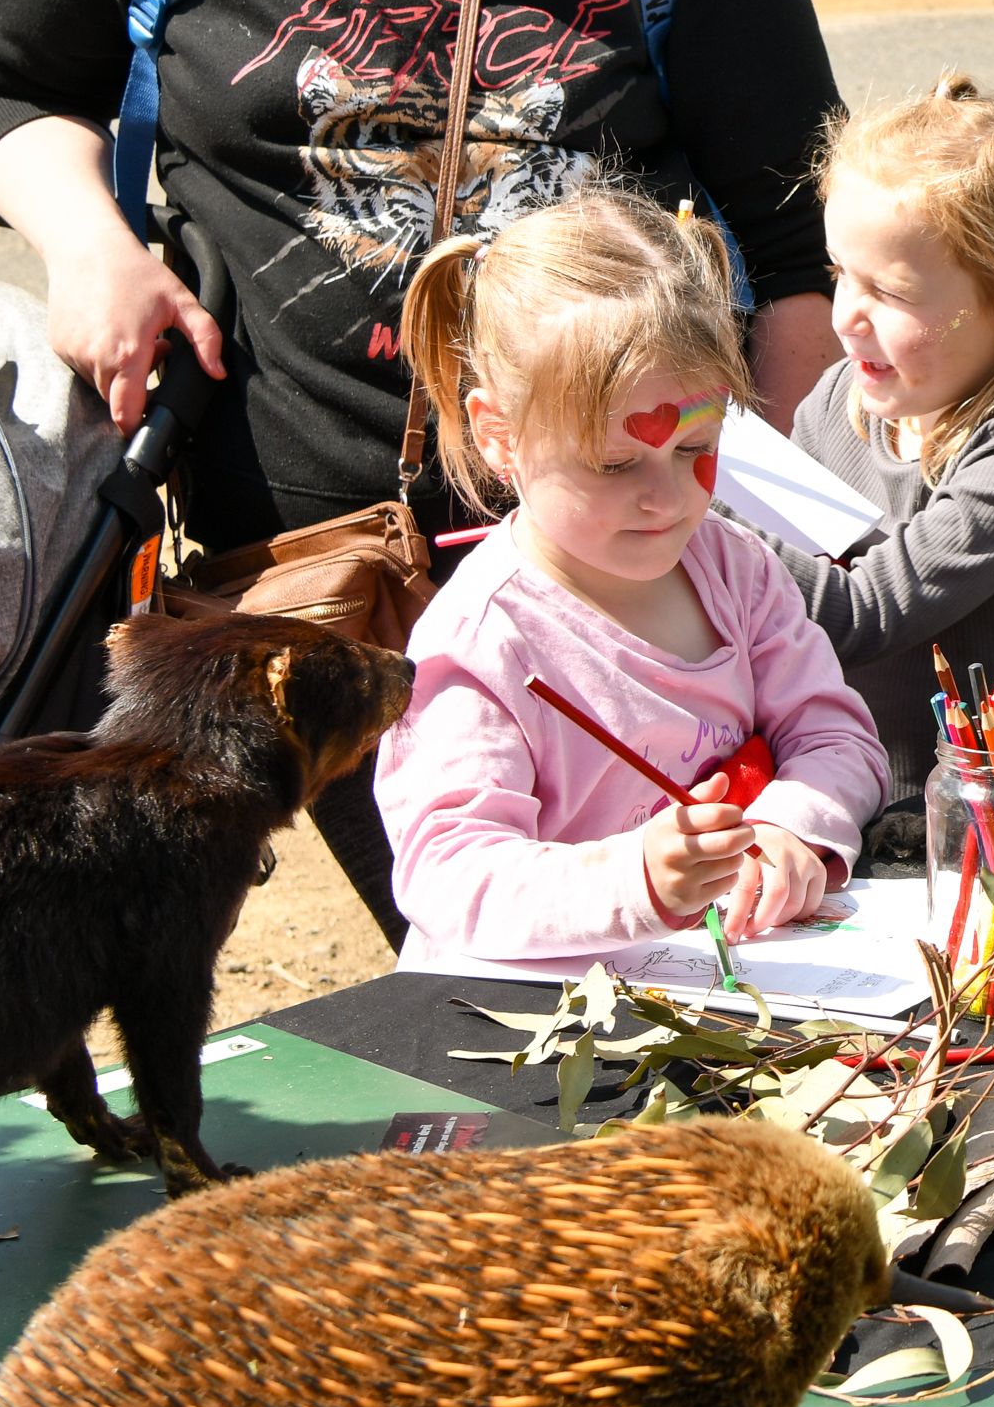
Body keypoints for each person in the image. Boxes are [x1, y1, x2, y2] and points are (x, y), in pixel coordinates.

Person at [0, 0, 844, 946]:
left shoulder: (714, 567)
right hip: (324, 585)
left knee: (701, 945)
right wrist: (90, 248)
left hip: (651, 570)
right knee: (501, 926)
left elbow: (792, 248)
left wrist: (721, 533)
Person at [374, 184, 888, 965]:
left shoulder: (735, 571)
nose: (668, 496)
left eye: (696, 447)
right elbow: (448, 873)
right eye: (615, 463)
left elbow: (835, 733)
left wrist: (792, 825)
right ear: (500, 436)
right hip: (541, 1037)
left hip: (740, 992)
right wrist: (634, 879)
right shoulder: (482, 641)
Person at [750, 72, 994, 795]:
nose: (845, 317)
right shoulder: (847, 400)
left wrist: (690, 501)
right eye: (840, 273)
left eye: (889, 292)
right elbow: (793, 558)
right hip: (834, 790)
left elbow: (861, 612)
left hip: (990, 834)